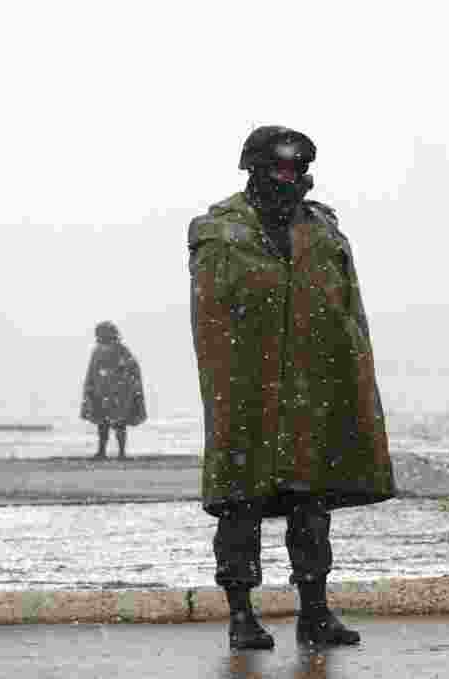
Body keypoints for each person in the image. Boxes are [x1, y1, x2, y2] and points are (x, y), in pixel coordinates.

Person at [187, 125, 396, 650]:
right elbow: (210, 325)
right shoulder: (221, 234)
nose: (290, 179)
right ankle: (241, 614)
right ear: (255, 169)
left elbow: (347, 313)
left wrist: (349, 384)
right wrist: (228, 393)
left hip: (309, 391)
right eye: (279, 168)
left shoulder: (322, 232)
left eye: (297, 169)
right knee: (241, 503)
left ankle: (315, 612)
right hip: (245, 393)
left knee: (310, 505)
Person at [80, 321, 147, 459]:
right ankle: (103, 451)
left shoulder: (121, 350)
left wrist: (122, 381)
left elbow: (131, 368)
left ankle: (120, 452)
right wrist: (90, 390)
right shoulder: (98, 351)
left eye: (100, 333)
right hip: (102, 394)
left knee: (118, 424)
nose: (98, 336)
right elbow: (92, 372)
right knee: (103, 424)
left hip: (117, 394)